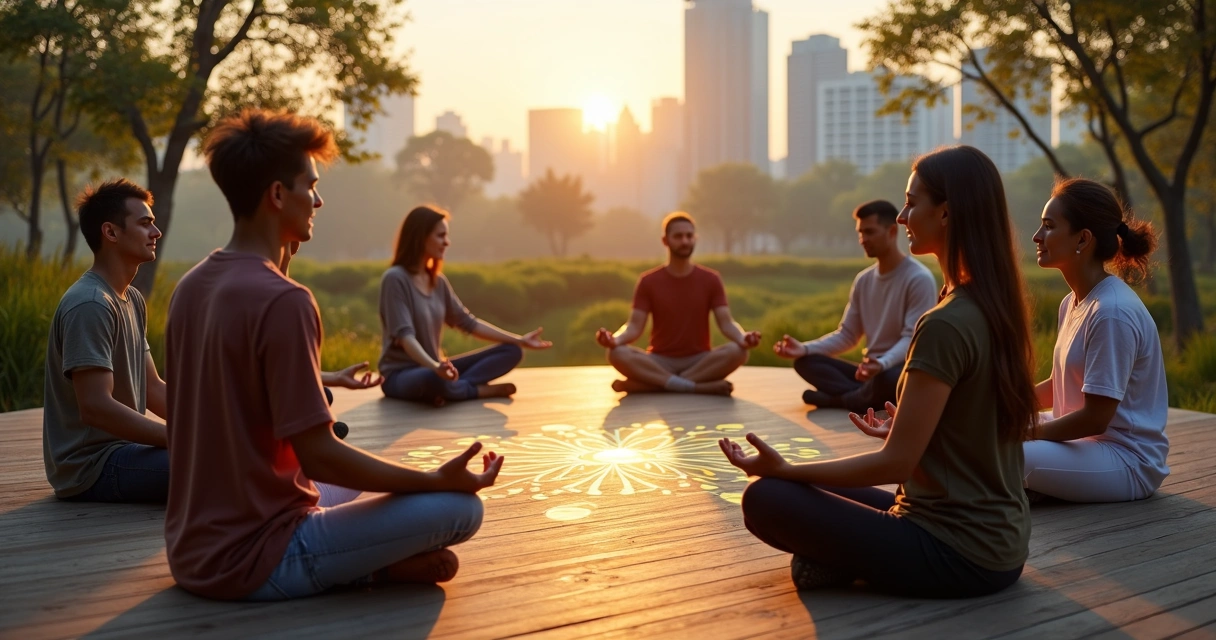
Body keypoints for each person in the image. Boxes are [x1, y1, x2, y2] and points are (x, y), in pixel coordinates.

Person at [165, 108, 503, 602]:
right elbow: (320, 457)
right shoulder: (285, 301)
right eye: (311, 186)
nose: (318, 200)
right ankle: (362, 571)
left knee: (365, 482)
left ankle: (363, 560)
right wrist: (432, 480)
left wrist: (280, 254)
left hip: (192, 549)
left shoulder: (191, 286)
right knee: (460, 509)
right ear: (278, 196)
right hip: (259, 557)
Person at [720, 146, 1035, 598]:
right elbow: (973, 424)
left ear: (945, 213)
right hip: (998, 542)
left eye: (911, 202)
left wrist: (788, 469)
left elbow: (897, 462)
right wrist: (912, 426)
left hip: (960, 552)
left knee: (767, 497)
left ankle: (839, 556)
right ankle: (844, 554)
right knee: (812, 495)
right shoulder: (995, 306)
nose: (903, 216)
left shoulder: (946, 321)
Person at [1024, 177, 1168, 503]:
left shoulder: (1111, 312)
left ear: (1083, 238)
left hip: (1125, 457)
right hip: (1084, 442)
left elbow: (1095, 417)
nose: (1037, 236)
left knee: (1005, 452)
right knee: (980, 429)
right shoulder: (1073, 301)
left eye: (1049, 226)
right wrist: (1001, 408)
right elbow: (1060, 384)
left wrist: (1024, 432)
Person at [42, 179, 169, 504]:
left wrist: (214, 425)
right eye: (145, 224)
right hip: (91, 467)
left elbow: (153, 388)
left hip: (124, 452)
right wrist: (183, 439)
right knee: (221, 465)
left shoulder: (130, 299)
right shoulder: (91, 304)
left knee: (233, 452)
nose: (156, 233)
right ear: (111, 233)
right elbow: (96, 407)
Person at [378, 205, 552, 406]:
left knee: (512, 351)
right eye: (440, 236)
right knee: (433, 379)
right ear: (421, 237)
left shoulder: (438, 282)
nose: (447, 242)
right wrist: (435, 367)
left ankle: (449, 391)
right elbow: (405, 338)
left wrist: (520, 340)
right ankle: (475, 391)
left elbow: (469, 323)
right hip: (401, 375)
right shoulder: (395, 279)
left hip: (436, 369)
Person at [774, 200, 937, 413]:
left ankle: (839, 401)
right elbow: (847, 335)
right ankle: (861, 397)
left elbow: (912, 340)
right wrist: (804, 348)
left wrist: (882, 364)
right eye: (860, 233)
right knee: (805, 362)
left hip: (896, 371)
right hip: (869, 373)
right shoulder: (863, 280)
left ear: (891, 231)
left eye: (869, 232)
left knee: (889, 379)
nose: (863, 240)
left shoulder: (918, 278)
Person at [596, 212, 760, 396]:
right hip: (659, 360)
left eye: (689, 236)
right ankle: (694, 386)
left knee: (739, 351)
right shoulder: (648, 281)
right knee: (616, 354)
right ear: (665, 241)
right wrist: (615, 340)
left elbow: (726, 322)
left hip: (699, 361)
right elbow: (633, 326)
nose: (685, 241)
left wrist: (743, 338)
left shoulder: (711, 279)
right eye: (678, 236)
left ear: (695, 239)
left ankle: (654, 385)